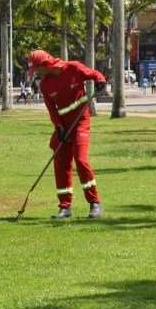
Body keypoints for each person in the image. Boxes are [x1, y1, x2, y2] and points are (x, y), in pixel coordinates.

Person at [28, 49, 106, 220]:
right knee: (61, 163)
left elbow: (94, 74)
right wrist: (58, 127)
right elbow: (52, 110)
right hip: (64, 126)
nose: (36, 74)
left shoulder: (73, 68)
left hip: (81, 122)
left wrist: (100, 80)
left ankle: (95, 203)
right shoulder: (45, 85)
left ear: (44, 65)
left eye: (36, 70)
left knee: (81, 159)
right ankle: (65, 207)